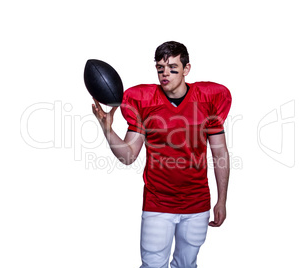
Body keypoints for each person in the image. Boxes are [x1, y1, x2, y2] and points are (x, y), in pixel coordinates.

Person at [92, 41, 232, 268]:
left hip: (197, 202)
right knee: (153, 265)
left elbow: (220, 154)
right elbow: (128, 156)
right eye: (160, 68)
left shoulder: (207, 100)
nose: (165, 73)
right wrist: (107, 128)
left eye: (173, 68)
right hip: (158, 202)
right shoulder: (145, 101)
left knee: (187, 265)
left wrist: (222, 200)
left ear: (186, 69)